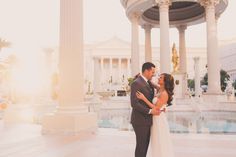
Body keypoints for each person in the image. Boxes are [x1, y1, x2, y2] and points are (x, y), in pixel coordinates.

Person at [136, 73, 175, 157]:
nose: (158, 78)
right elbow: (150, 83)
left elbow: (156, 108)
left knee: (160, 142)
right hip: (154, 118)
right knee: (156, 142)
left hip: (159, 120)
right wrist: (141, 77)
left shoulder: (164, 93)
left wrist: (143, 98)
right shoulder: (159, 89)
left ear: (165, 81)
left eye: (161, 78)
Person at [130, 62, 161, 157]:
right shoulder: (136, 83)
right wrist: (150, 111)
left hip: (147, 121)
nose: (154, 74)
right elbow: (134, 103)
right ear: (146, 71)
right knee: (141, 147)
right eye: (152, 72)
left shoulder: (148, 83)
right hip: (140, 120)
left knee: (144, 147)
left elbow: (157, 89)